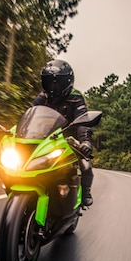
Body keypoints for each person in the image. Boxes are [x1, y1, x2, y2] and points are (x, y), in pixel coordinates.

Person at [32, 59, 94, 206]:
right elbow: (30, 114)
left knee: (86, 166)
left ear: (67, 82)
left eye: (57, 82)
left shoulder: (75, 97)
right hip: (44, 139)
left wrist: (85, 140)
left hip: (69, 139)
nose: (53, 86)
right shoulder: (42, 98)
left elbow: (83, 120)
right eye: (49, 82)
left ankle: (86, 193)